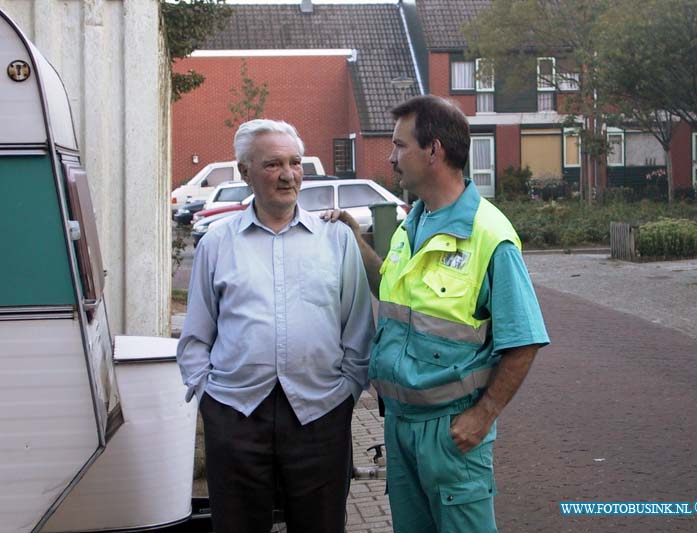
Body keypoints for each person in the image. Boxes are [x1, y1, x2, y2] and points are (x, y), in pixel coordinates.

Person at [325, 95, 549, 532]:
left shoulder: (489, 235)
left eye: (400, 146)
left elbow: (524, 340)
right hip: (400, 428)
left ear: (434, 151)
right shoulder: (415, 222)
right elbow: (390, 290)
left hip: (451, 433)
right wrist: (355, 239)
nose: (391, 158)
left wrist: (482, 417)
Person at [176, 119, 374, 533]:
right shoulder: (217, 243)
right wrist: (208, 396)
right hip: (236, 412)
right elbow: (196, 334)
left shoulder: (335, 240)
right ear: (245, 172)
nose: (288, 175)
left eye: (295, 163)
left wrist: (346, 394)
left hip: (320, 412)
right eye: (273, 165)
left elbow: (357, 327)